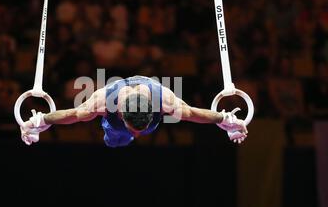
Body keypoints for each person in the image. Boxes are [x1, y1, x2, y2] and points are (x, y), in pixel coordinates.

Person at [20, 76, 248, 147]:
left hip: (137, 118)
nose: (138, 134)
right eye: (135, 129)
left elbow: (192, 113)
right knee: (114, 140)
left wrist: (225, 118)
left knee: (132, 135)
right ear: (120, 113)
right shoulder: (102, 102)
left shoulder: (164, 100)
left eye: (139, 130)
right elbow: (73, 114)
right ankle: (120, 134)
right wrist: (41, 119)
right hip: (115, 128)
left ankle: (128, 133)